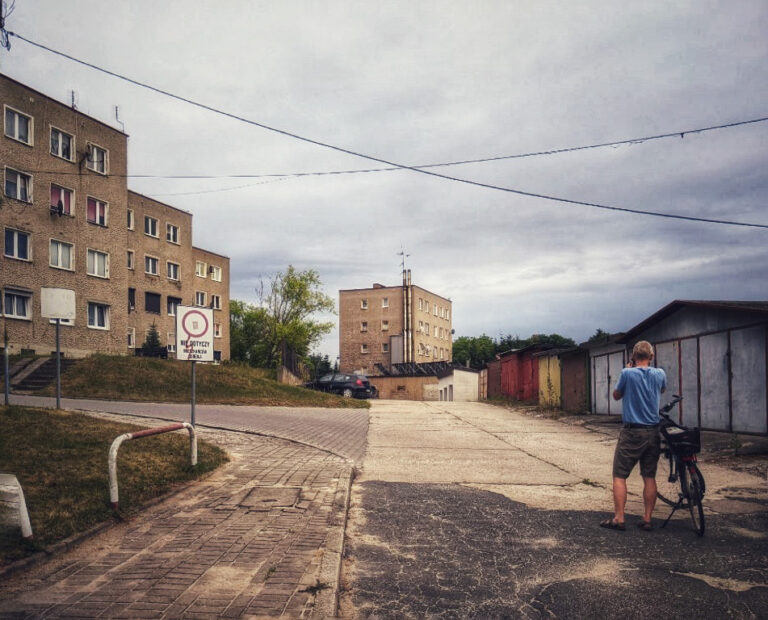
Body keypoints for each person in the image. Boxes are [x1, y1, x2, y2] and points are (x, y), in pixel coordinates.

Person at [600, 340, 666, 532]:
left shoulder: (627, 373)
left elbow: (616, 395)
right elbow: (661, 390)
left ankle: (619, 518)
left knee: (620, 475)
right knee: (649, 476)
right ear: (651, 357)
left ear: (633, 357)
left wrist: (628, 371)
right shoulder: (660, 373)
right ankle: (647, 518)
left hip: (632, 431)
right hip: (653, 431)